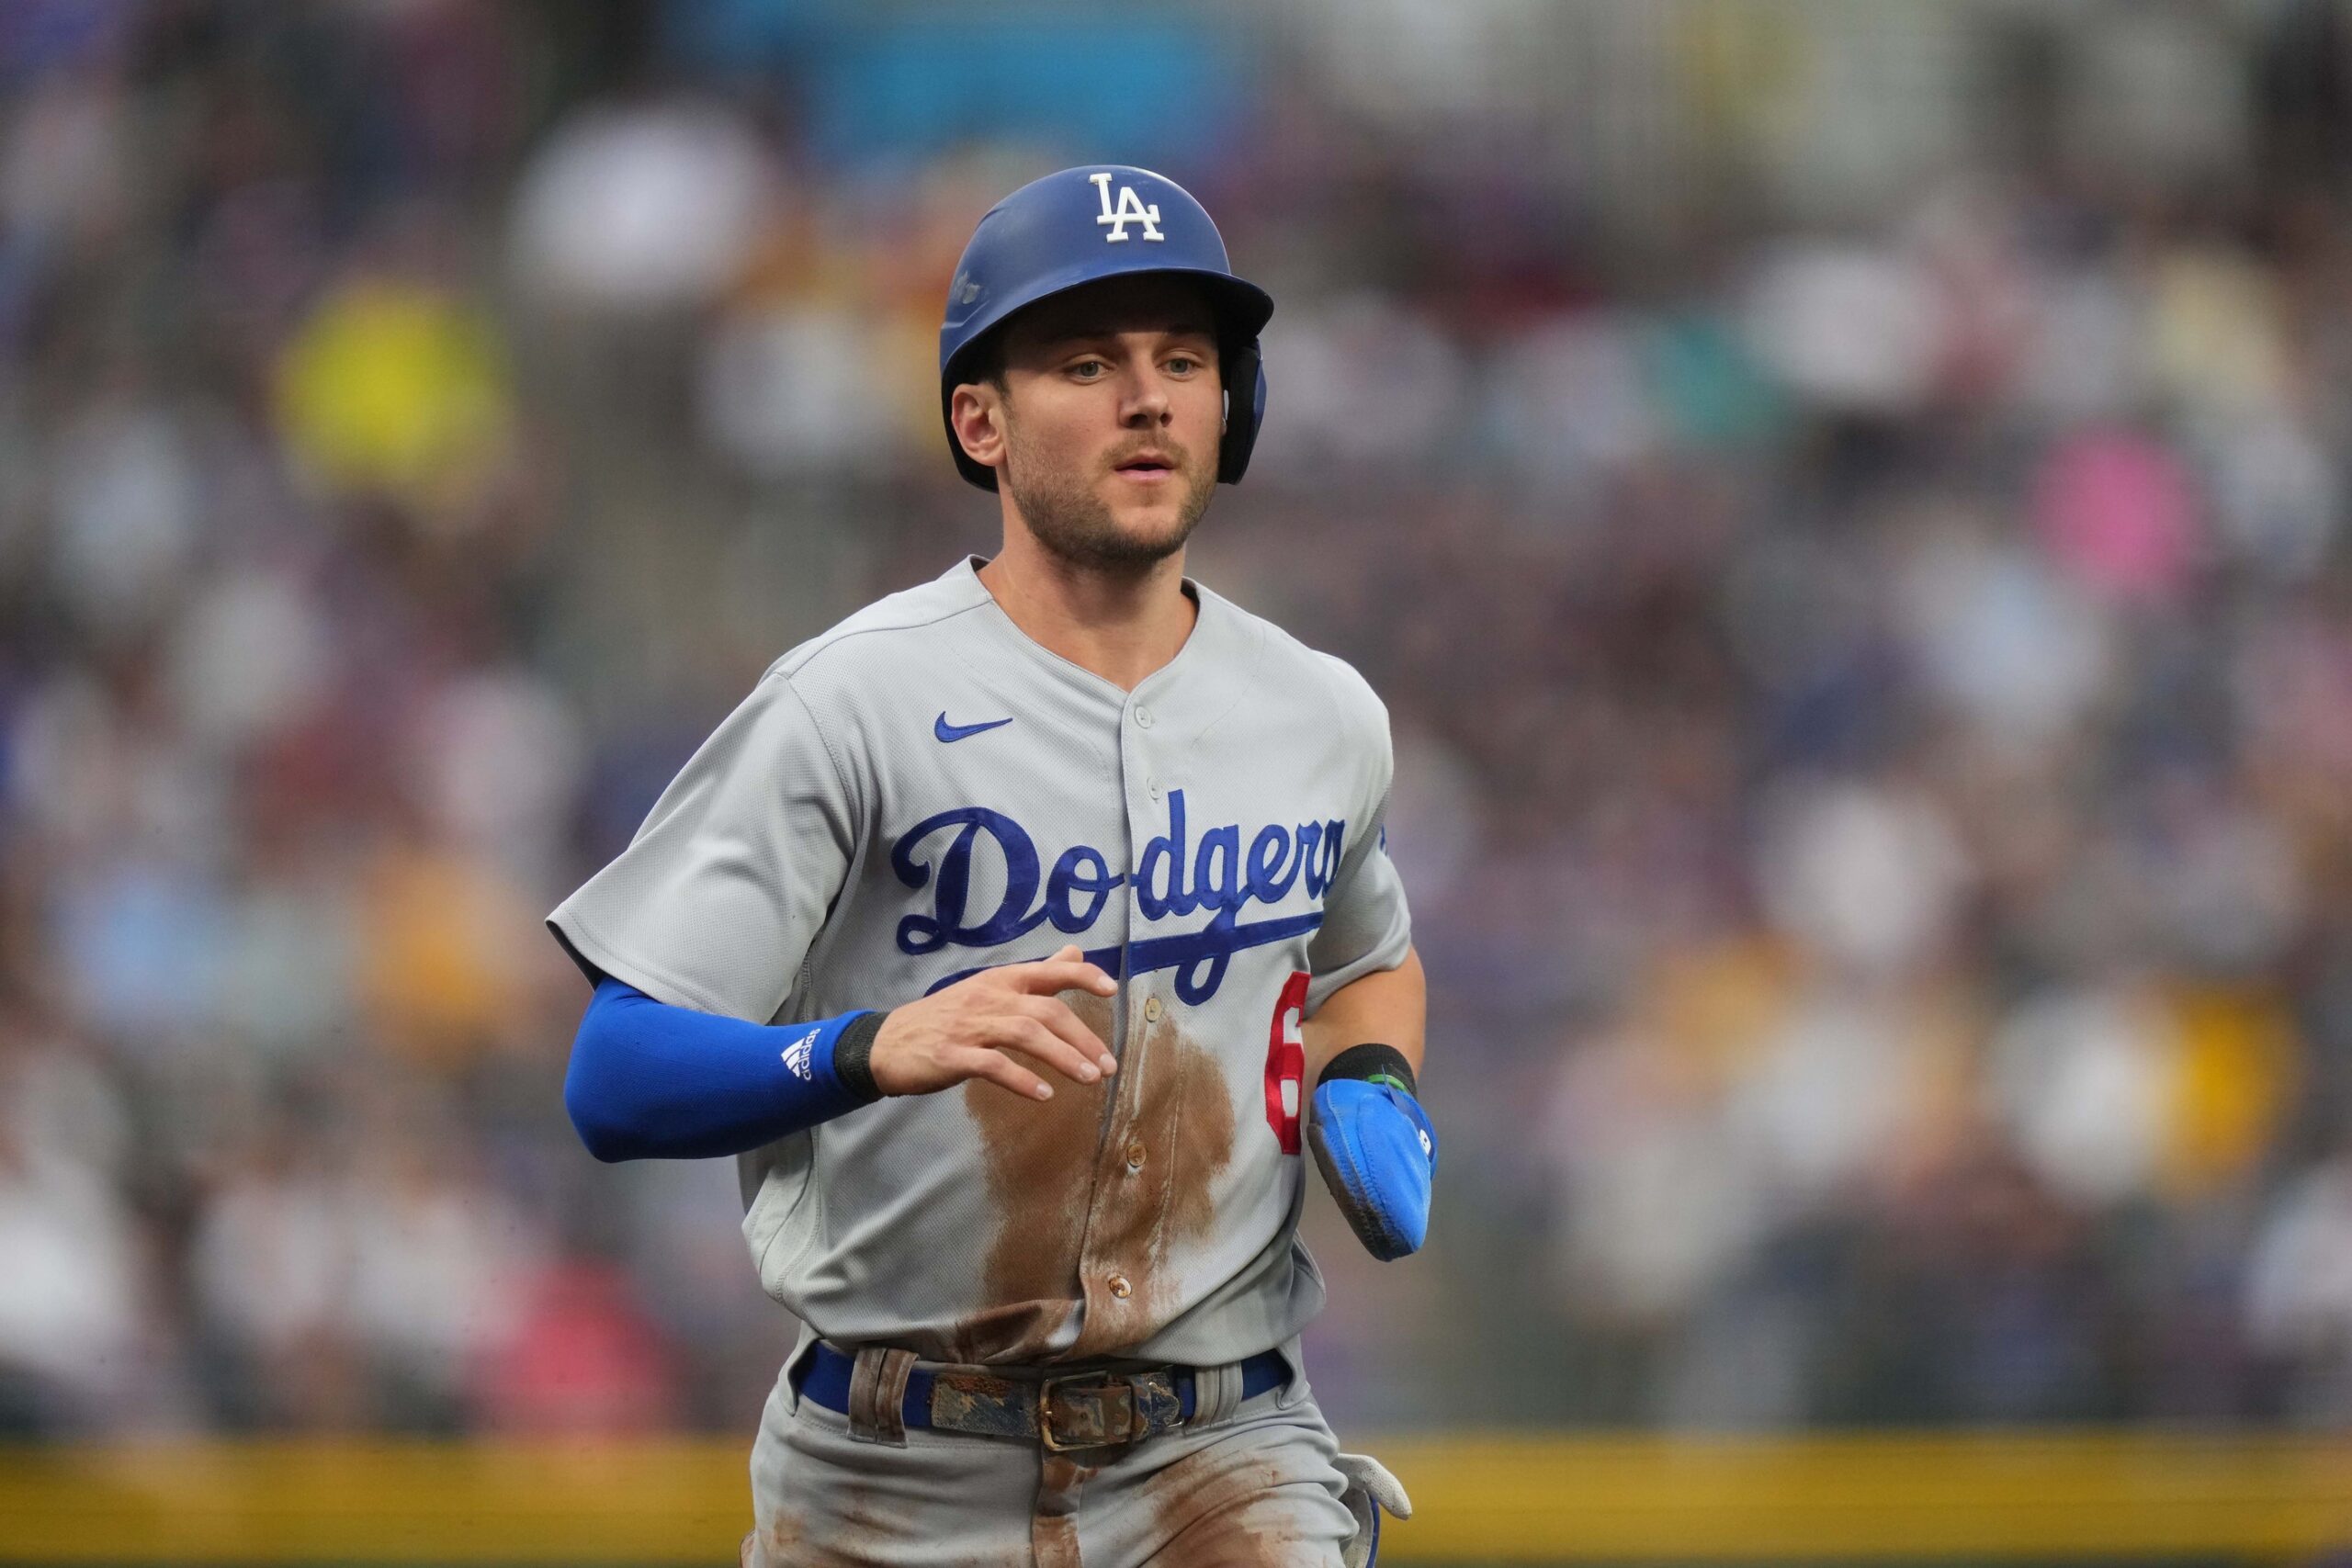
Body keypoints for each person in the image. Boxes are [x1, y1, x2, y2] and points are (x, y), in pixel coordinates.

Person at [548, 165, 1435, 1566]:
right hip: (888, 1471)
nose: (1147, 399)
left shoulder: (1322, 714)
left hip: (1222, 1451)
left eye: (1184, 360)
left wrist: (1374, 1075)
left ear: (1233, 409)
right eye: (1086, 362)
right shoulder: (848, 702)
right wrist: (860, 1049)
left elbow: (1368, 958)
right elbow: (613, 1076)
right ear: (980, 419)